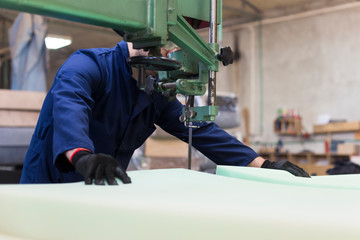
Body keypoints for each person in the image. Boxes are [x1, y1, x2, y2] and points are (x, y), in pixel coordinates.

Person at [20, 40, 309, 185]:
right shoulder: (88, 65)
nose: (173, 52)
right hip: (52, 180)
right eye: (169, 44)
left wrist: (263, 165)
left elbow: (199, 129)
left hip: (102, 184)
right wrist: (83, 156)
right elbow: (70, 107)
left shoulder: (153, 90)